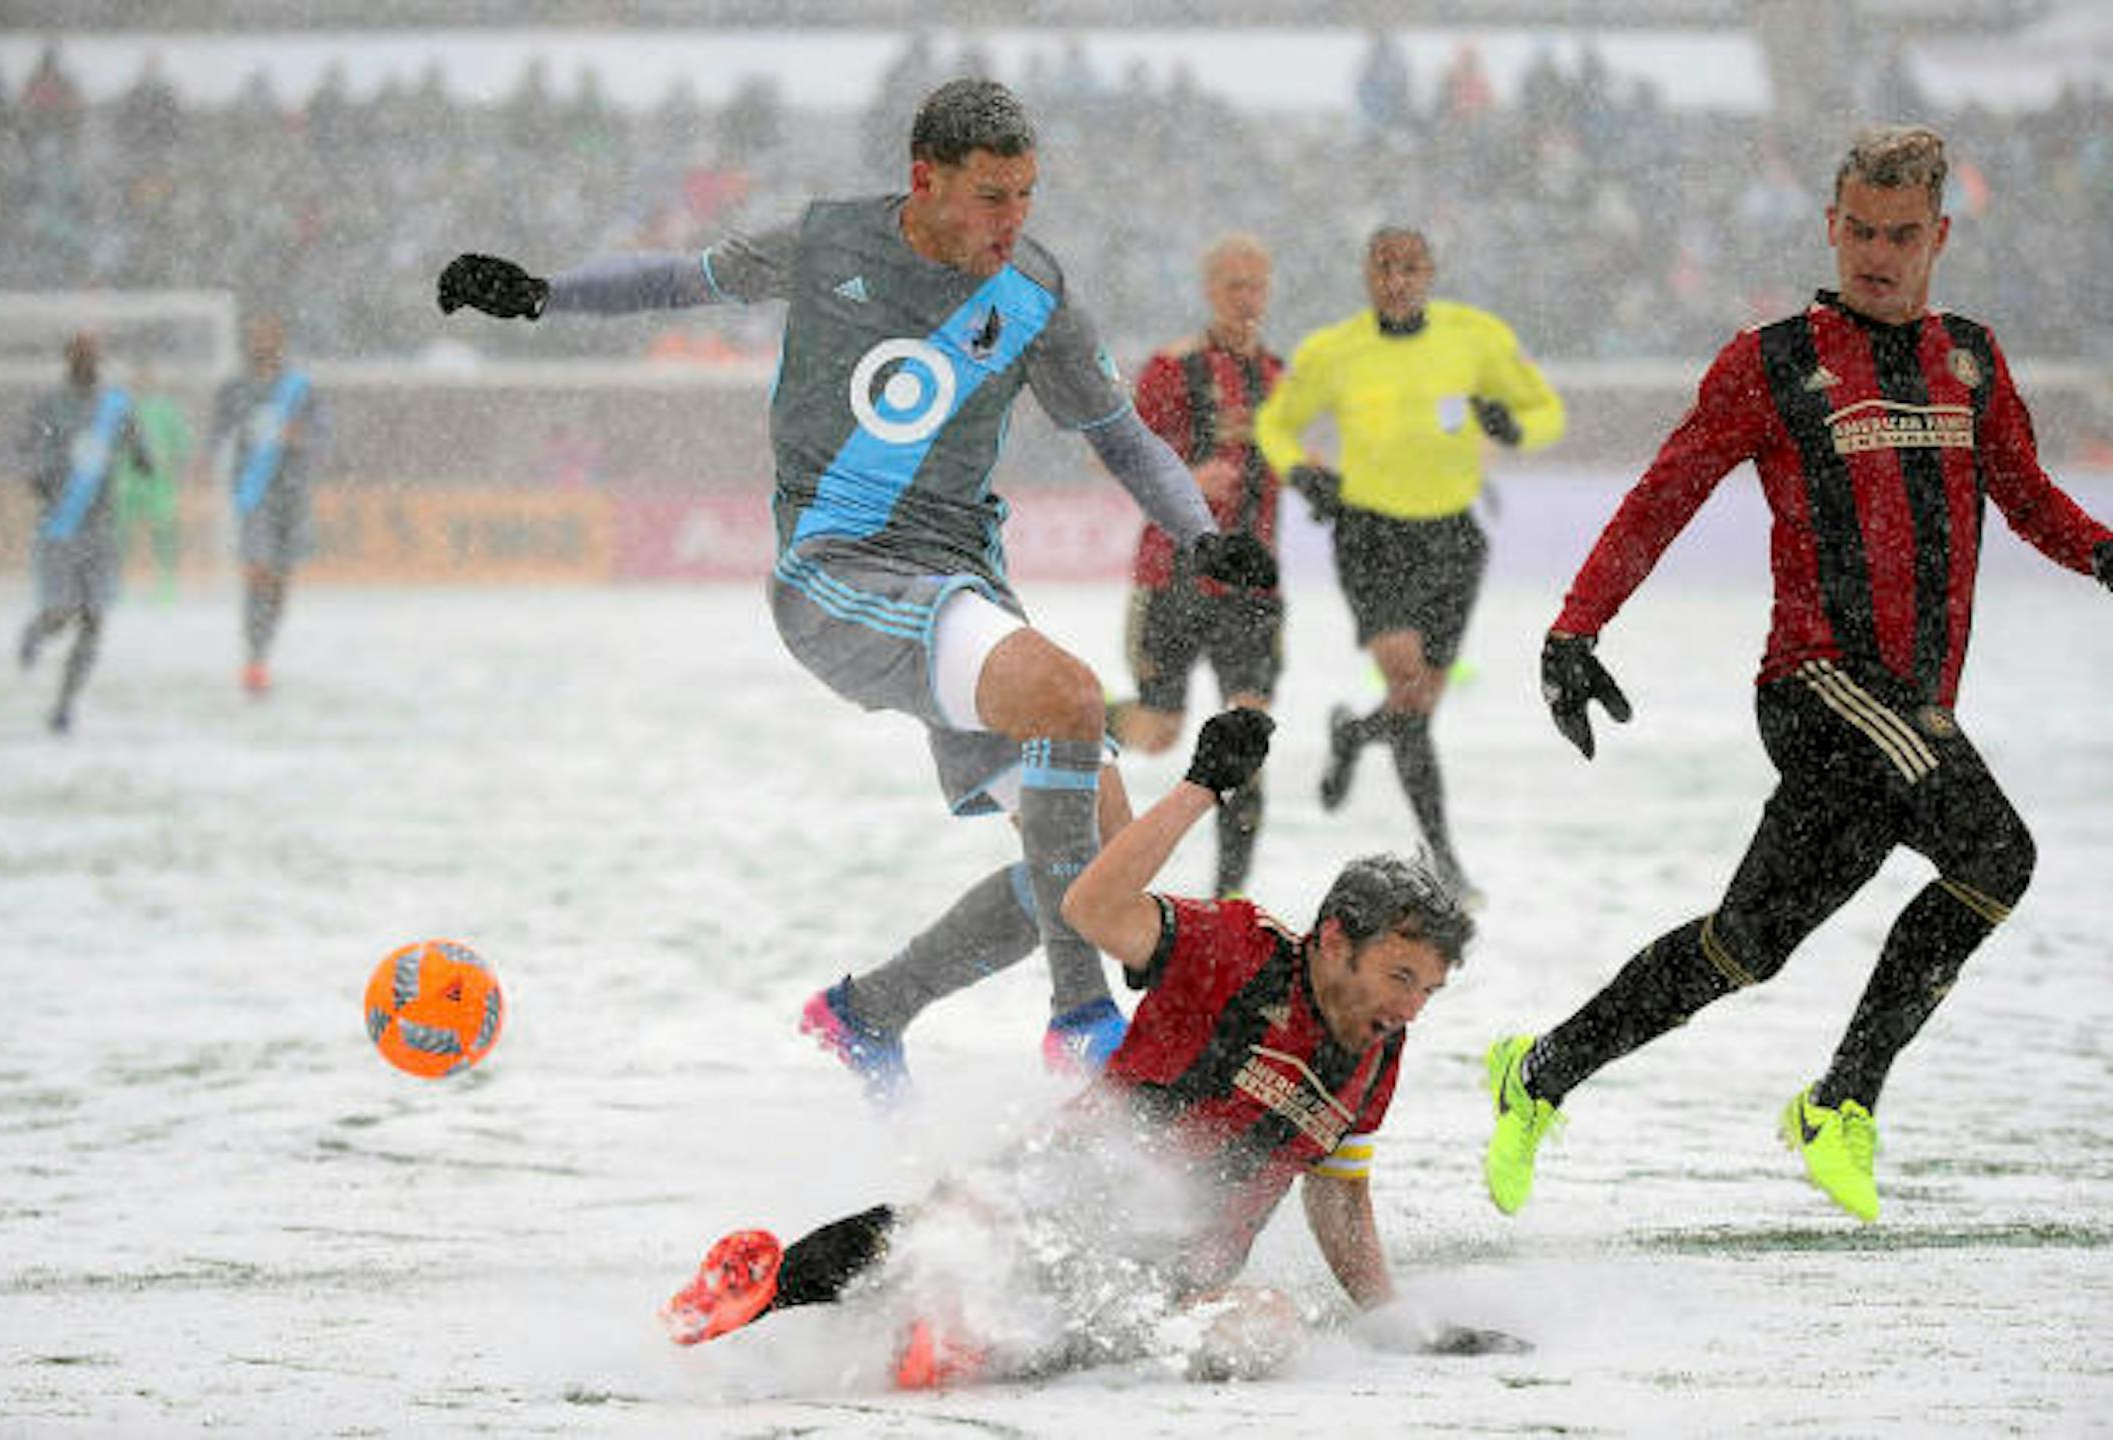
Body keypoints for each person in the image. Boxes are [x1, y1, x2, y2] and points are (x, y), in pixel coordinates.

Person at [437, 79, 1277, 1086]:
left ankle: (865, 1014)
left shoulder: (1033, 294)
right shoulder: (829, 241)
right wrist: (541, 294)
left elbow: (1119, 435)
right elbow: (678, 281)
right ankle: (1083, 1023)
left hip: (964, 584)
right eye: (991, 196)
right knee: (1069, 698)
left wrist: (1197, 535)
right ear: (925, 180)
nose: (1012, 222)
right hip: (836, 573)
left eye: (1027, 197)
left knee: (1103, 874)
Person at [1483, 126, 2113, 1225]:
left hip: (1911, 717)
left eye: (1901, 236)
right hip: (1818, 685)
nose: (1877, 254)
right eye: (1859, 231)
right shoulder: (1772, 361)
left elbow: (2027, 498)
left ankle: (1537, 1073)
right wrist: (1575, 628)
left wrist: (2106, 555)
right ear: (1831, 226)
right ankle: (1841, 1102)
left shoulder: (1970, 358)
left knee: (1746, 946)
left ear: (1941, 236)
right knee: (1999, 853)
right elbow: (1662, 496)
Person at [656, 710, 1518, 1386]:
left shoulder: (1377, 1055)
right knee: (961, 1227)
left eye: (1429, 991)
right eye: (1401, 977)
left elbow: (1340, 1202)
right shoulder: (1241, 950)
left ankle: (967, 1346)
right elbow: (1091, 909)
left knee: (1263, 1333)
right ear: (1335, 939)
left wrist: (1398, 1323)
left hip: (1170, 1285)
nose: (1411, 1008)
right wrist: (1200, 788)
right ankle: (762, 1293)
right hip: (1065, 1188)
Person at [1254, 227, 1563, 903]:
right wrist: (1303, 475)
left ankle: (1355, 733)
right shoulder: (1333, 351)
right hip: (1370, 534)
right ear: (1367, 275)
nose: (1396, 280)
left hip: (1452, 539)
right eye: (1384, 268)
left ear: (1430, 271)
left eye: (1410, 268)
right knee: (1407, 682)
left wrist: (1513, 428)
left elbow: (1546, 412)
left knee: (1415, 706)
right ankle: (1443, 859)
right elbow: (1274, 425)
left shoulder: (1474, 337)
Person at [1108, 232, 1286, 896]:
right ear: (1210, 291)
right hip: (1175, 578)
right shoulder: (1171, 369)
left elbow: (1289, 458)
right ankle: (1077, 717)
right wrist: (1187, 476)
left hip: (1255, 589)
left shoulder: (1280, 377)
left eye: (1256, 285)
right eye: (1233, 285)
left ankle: (1229, 901)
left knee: (1247, 741)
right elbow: (1122, 455)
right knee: (1158, 732)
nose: (1246, 298)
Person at [17, 331, 150, 734]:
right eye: (80, 355)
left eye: (93, 355)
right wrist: (38, 477)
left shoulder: (116, 406)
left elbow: (140, 452)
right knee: (62, 614)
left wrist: (144, 460)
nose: (88, 362)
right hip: (60, 526)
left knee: (94, 618)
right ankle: (38, 630)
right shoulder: (50, 407)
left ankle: (64, 704)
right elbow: (26, 452)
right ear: (68, 361)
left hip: (102, 529)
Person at [209, 312, 326, 696]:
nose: (264, 345)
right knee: (257, 569)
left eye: (270, 337)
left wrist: (302, 436)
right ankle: (254, 658)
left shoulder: (299, 388)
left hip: (291, 493)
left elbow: (322, 432)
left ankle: (262, 651)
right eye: (257, 337)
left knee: (279, 580)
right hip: (253, 492)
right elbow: (217, 433)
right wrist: (203, 461)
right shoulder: (235, 389)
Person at [113, 361, 193, 602]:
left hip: (159, 482)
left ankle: (167, 586)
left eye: (147, 379)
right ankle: (119, 585)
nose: (142, 383)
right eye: (138, 379)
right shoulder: (122, 409)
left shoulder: (166, 410)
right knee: (122, 536)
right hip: (126, 481)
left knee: (164, 533)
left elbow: (183, 443)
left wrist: (175, 466)